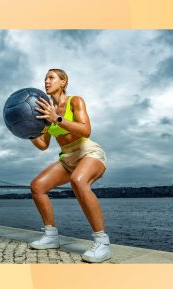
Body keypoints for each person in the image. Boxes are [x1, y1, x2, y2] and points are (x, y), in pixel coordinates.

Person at [28, 68, 111, 263]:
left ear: (63, 82)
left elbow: (86, 130)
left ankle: (102, 243)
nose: (46, 81)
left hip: (88, 152)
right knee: (37, 186)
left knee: (78, 181)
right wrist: (28, 133)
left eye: (51, 78)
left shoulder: (75, 101)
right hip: (67, 157)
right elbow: (43, 145)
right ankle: (50, 236)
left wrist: (56, 118)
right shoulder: (46, 110)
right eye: (45, 79)